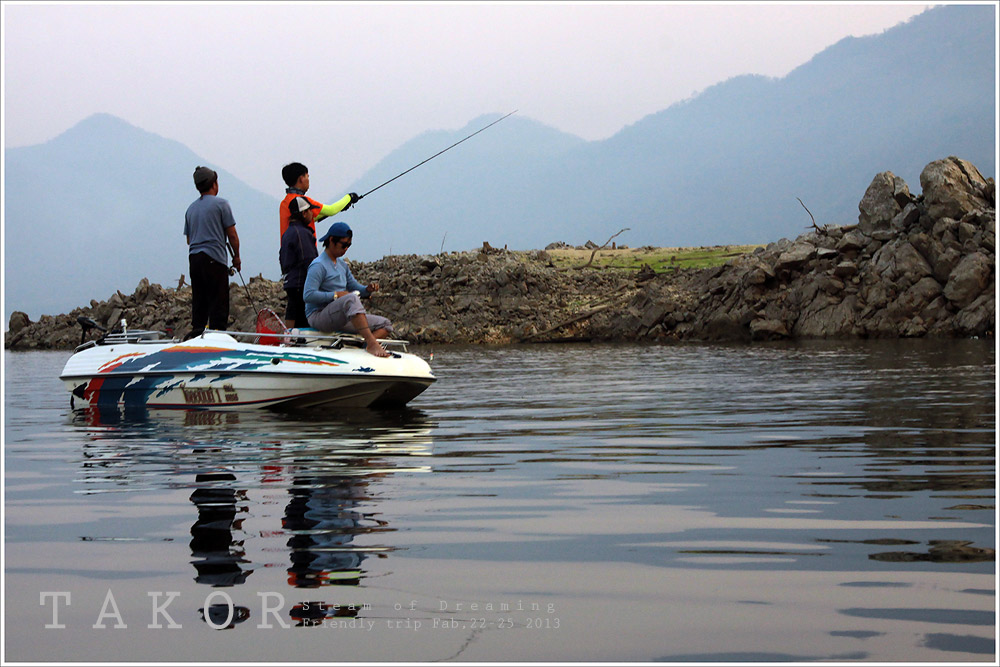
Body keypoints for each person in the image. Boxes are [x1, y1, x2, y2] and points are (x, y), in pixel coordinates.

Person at [303, 221, 392, 358]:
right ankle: (372, 343)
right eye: (343, 245)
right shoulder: (318, 265)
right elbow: (308, 295)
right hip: (319, 316)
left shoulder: (342, 265)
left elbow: (356, 288)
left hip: (341, 316)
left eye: (348, 245)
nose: (346, 249)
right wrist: (335, 295)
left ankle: (363, 348)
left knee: (386, 324)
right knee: (350, 298)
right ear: (331, 240)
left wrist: (367, 289)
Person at [184, 166, 240, 337]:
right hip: (214, 259)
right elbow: (232, 234)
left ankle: (196, 336)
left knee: (199, 300)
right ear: (214, 184)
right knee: (218, 302)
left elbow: (189, 240)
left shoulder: (191, 209)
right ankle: (218, 337)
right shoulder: (222, 204)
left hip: (194, 259)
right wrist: (236, 257)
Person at [280, 162, 359, 240]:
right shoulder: (302, 201)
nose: (308, 180)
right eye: (307, 177)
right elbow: (331, 210)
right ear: (301, 179)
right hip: (305, 248)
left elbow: (309, 219)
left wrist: (340, 208)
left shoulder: (284, 203)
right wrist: (349, 197)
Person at [278, 195, 320, 328]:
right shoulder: (302, 233)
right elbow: (309, 261)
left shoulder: (288, 233)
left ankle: (288, 339)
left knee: (292, 312)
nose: (312, 214)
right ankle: (297, 343)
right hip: (301, 283)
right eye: (310, 211)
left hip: (290, 282)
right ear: (304, 212)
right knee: (303, 320)